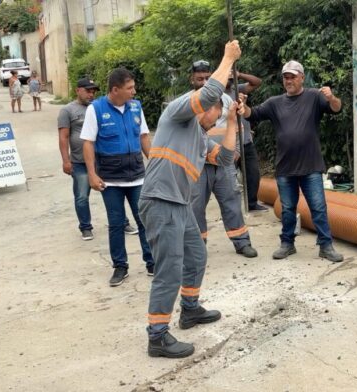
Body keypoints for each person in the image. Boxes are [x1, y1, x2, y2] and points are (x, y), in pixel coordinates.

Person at [139, 41, 241, 358]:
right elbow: (210, 93)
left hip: (180, 205)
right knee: (169, 269)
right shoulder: (178, 112)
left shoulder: (198, 138)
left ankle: (190, 309)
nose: (218, 117)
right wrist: (227, 59)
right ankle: (157, 336)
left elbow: (225, 159)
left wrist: (234, 123)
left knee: (196, 257)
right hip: (160, 199)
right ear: (203, 107)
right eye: (218, 113)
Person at [243, 60, 344, 263]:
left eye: (292, 77)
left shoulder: (315, 97)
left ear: (302, 78)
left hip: (311, 166)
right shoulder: (274, 103)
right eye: (285, 77)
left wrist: (332, 97)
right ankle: (287, 243)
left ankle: (326, 246)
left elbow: (336, 108)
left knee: (318, 207)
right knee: (288, 209)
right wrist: (241, 106)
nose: (288, 81)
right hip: (285, 168)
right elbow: (252, 114)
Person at [80, 68, 154, 286]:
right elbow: (88, 142)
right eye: (129, 88)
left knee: (144, 221)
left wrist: (156, 164)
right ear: (115, 90)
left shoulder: (135, 107)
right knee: (116, 223)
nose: (134, 91)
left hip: (137, 177)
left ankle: (152, 262)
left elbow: (144, 137)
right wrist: (92, 175)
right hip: (110, 180)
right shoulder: (96, 109)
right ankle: (120, 267)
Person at [188, 61, 258, 258]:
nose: (204, 82)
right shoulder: (188, 103)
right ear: (192, 79)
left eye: (208, 78)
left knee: (232, 201)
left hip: (224, 164)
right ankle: (197, 246)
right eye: (200, 78)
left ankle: (242, 242)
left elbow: (236, 126)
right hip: (199, 166)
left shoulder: (226, 100)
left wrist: (235, 149)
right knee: (195, 206)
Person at [58, 77, 138, 241]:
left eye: (93, 91)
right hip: (80, 162)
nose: (91, 94)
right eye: (87, 91)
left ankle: (123, 223)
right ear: (77, 90)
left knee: (117, 193)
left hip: (103, 161)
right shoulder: (68, 110)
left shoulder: (99, 108)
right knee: (81, 196)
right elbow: (63, 137)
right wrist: (66, 160)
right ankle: (86, 227)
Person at [227, 71, 267, 212]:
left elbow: (257, 82)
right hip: (228, 143)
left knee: (253, 174)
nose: (229, 79)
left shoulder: (238, 89)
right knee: (228, 179)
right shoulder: (216, 95)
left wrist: (239, 74)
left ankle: (252, 203)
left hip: (246, 141)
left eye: (230, 77)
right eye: (226, 76)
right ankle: (232, 207)